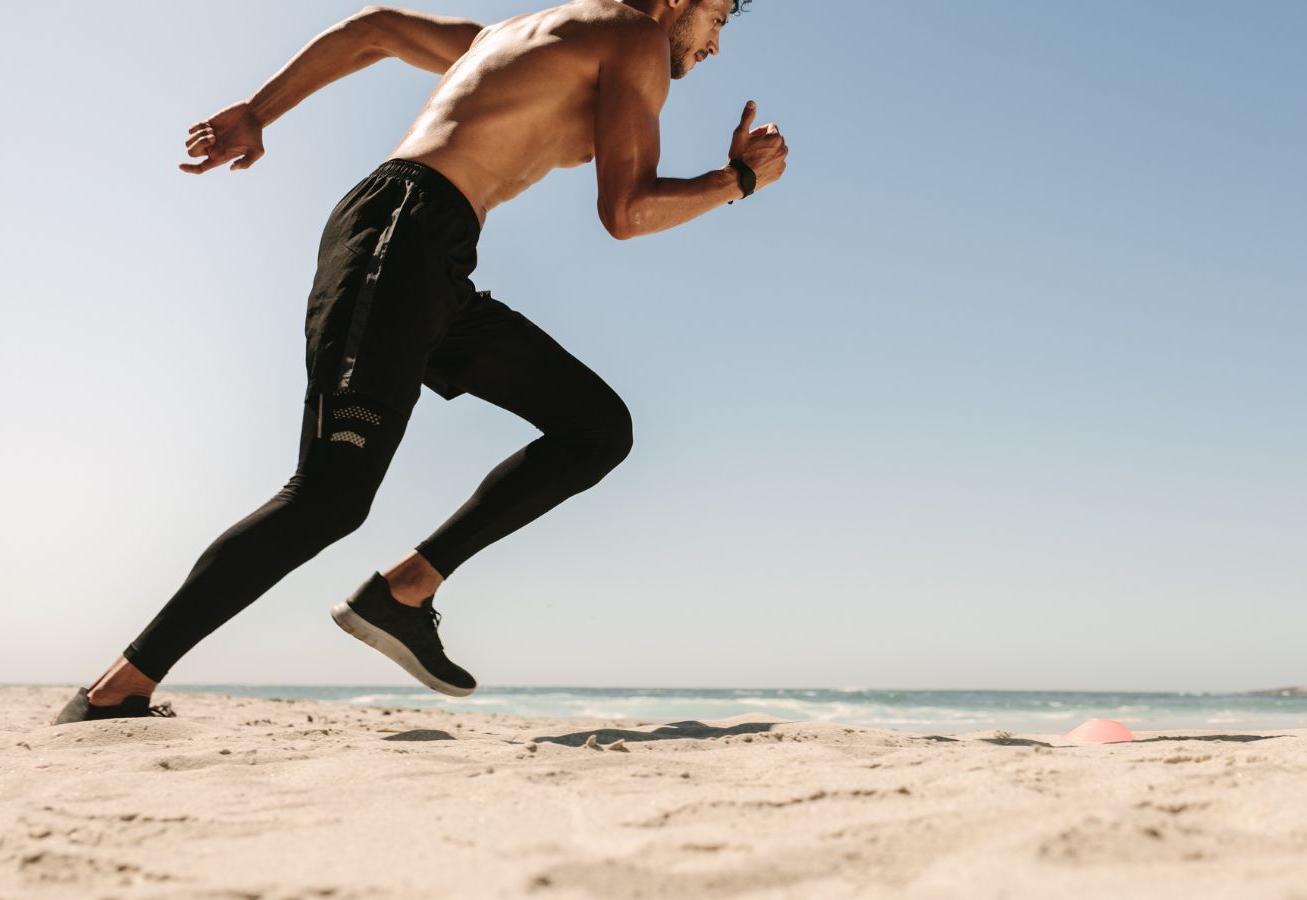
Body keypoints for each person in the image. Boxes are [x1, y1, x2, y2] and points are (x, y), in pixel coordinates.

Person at [52, 0, 787, 725]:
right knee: (327, 497)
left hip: (426, 248)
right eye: (719, 16)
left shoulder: (515, 35)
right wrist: (739, 180)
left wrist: (257, 111)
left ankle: (402, 591)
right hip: (403, 234)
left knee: (596, 427)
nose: (715, 44)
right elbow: (626, 212)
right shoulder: (633, 37)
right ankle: (113, 693)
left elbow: (375, 30)